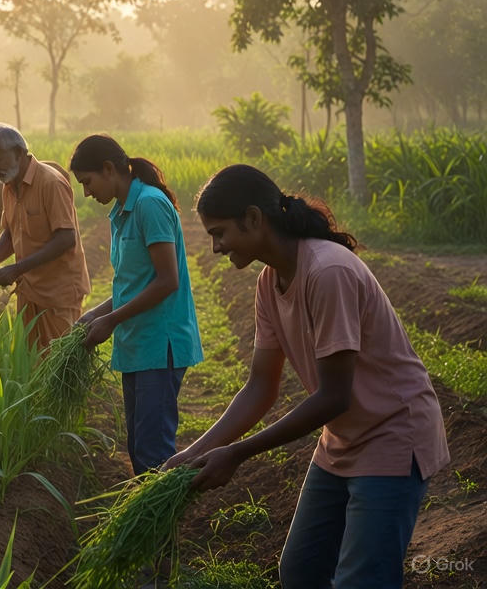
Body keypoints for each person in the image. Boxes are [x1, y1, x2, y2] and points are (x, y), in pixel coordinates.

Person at [166, 164, 449, 589]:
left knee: (362, 580)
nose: (216, 247)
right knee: (301, 571)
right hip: (343, 438)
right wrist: (194, 452)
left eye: (219, 233)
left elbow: (334, 396)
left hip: (393, 434)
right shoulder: (269, 282)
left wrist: (238, 453)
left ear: (254, 219)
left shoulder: (327, 271)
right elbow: (260, 387)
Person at [68, 135, 204, 476]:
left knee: (152, 453)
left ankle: (162, 512)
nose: (86, 192)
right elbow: (135, 284)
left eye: (87, 182)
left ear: (108, 169)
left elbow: (167, 280)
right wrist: (95, 314)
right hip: (137, 344)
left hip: (159, 343)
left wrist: (112, 320)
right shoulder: (122, 211)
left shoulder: (149, 205)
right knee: (139, 447)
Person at [0, 123, 90, 348]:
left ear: (19, 153)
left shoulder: (51, 183)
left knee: (59, 361)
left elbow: (66, 238)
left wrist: (17, 269)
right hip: (29, 290)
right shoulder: (9, 186)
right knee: (32, 360)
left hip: (58, 294)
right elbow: (11, 233)